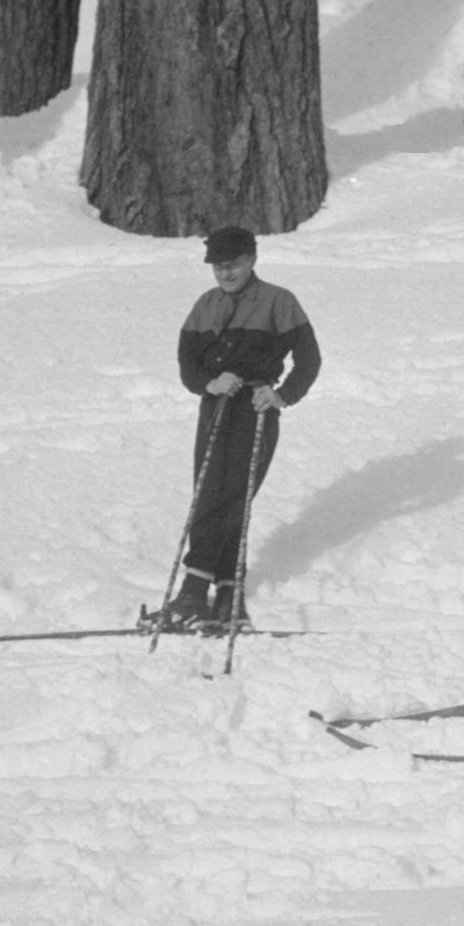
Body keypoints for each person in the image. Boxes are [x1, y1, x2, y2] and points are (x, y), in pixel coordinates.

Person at [165, 225, 320, 630]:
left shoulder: (278, 301)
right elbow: (187, 362)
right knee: (208, 494)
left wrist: (282, 395)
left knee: (234, 495)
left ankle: (200, 590)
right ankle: (222, 592)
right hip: (215, 408)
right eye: (217, 267)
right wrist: (208, 383)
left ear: (252, 259)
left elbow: (309, 359)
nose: (225, 274)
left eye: (232, 265)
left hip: (255, 409)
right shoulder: (205, 304)